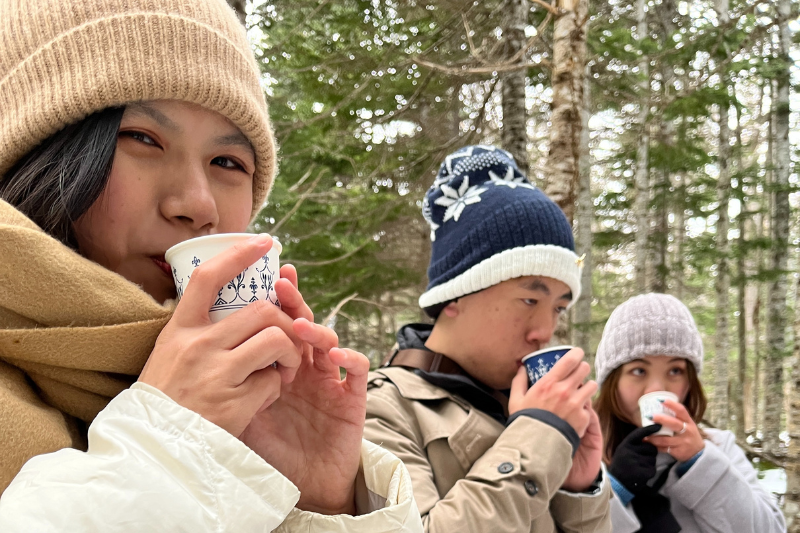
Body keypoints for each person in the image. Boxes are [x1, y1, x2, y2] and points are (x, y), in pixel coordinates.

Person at [0, 1, 421, 531]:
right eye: (143, 139)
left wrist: (314, 503)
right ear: (36, 151)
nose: (199, 204)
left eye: (228, 163)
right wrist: (170, 446)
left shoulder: (244, 404)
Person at [364, 145, 612, 533]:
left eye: (558, 308)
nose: (544, 332)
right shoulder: (380, 410)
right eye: (530, 299)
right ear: (455, 295)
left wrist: (577, 490)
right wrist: (539, 437)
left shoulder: (516, 403)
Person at [594, 293, 785, 533]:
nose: (657, 389)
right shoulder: (583, 454)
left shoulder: (719, 447)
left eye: (675, 370)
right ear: (613, 380)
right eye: (639, 370)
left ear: (690, 381)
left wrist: (699, 463)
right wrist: (614, 489)